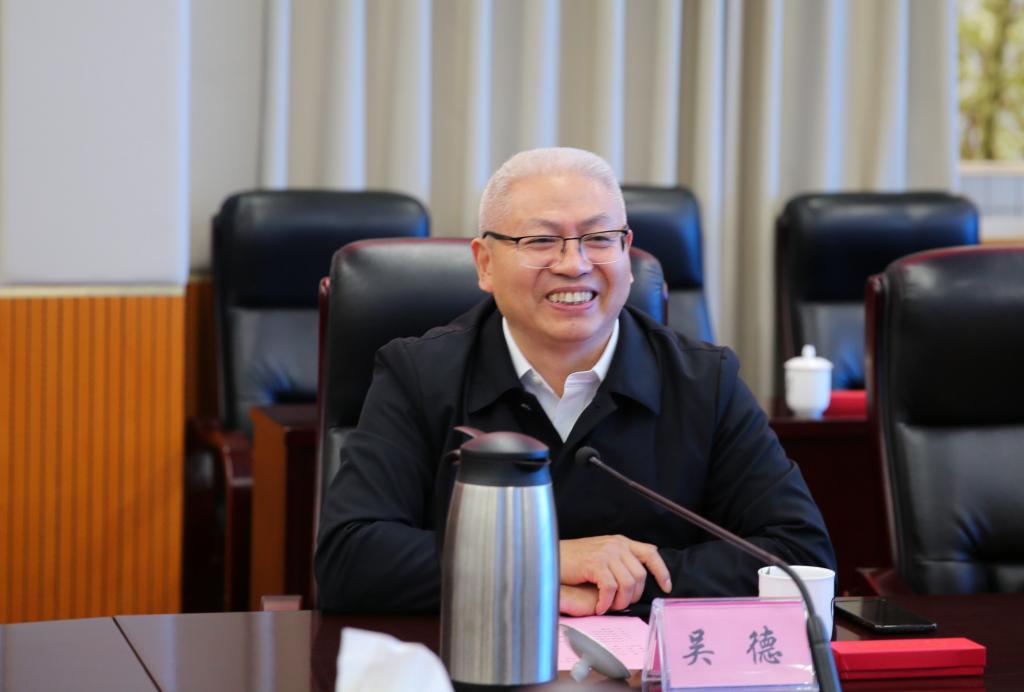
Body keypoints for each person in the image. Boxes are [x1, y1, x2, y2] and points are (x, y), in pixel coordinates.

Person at [315, 147, 835, 615]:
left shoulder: (703, 380)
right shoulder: (419, 374)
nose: (574, 264)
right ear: (485, 263)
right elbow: (349, 560)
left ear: (626, 252)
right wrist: (543, 564)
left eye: (599, 238)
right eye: (541, 240)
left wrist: (622, 580)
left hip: (644, 670)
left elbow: (799, 555)